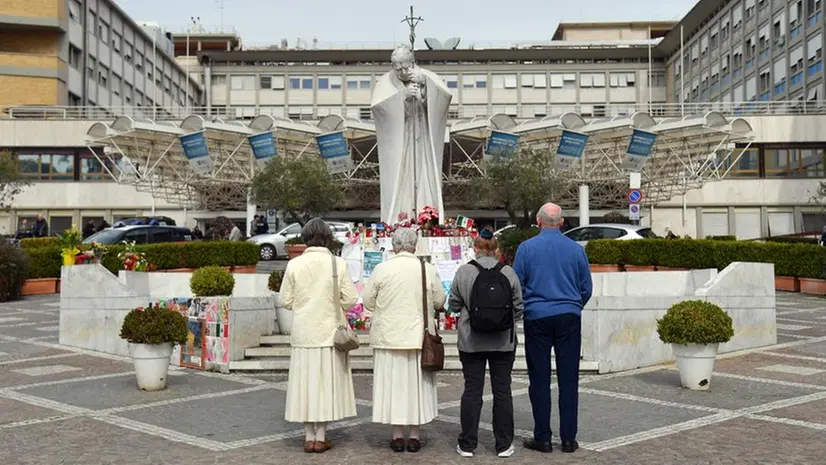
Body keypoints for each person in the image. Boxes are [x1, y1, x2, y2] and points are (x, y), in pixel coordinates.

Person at [513, 203, 592, 454]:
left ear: (538, 222)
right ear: (561, 222)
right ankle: (568, 438)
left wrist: (527, 307)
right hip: (569, 316)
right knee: (569, 379)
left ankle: (543, 437)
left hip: (537, 316)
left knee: (539, 378)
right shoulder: (575, 250)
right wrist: (574, 305)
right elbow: (586, 288)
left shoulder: (525, 249)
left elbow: (516, 286)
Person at [362, 228, 447, 453]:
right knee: (415, 387)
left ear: (394, 244)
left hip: (389, 337)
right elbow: (440, 300)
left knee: (394, 387)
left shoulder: (382, 269)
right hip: (418, 337)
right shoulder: (426, 269)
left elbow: (368, 301)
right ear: (415, 245)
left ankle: (397, 435)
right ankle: (415, 435)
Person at [279, 218, 359, 453]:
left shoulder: (295, 264)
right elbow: (351, 299)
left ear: (305, 238)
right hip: (329, 334)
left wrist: (303, 307)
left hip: (304, 333)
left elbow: (284, 300)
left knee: (305, 385)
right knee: (324, 386)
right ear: (327, 238)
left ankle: (308, 436)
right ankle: (321, 436)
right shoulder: (338, 264)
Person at [449, 227, 524, 458]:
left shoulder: (464, 272)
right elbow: (519, 307)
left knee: (472, 390)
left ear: (475, 248)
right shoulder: (509, 272)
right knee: (502, 391)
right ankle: (503, 444)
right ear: (496, 250)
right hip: (503, 342)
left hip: (471, 341)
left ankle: (468, 443)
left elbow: (453, 304)